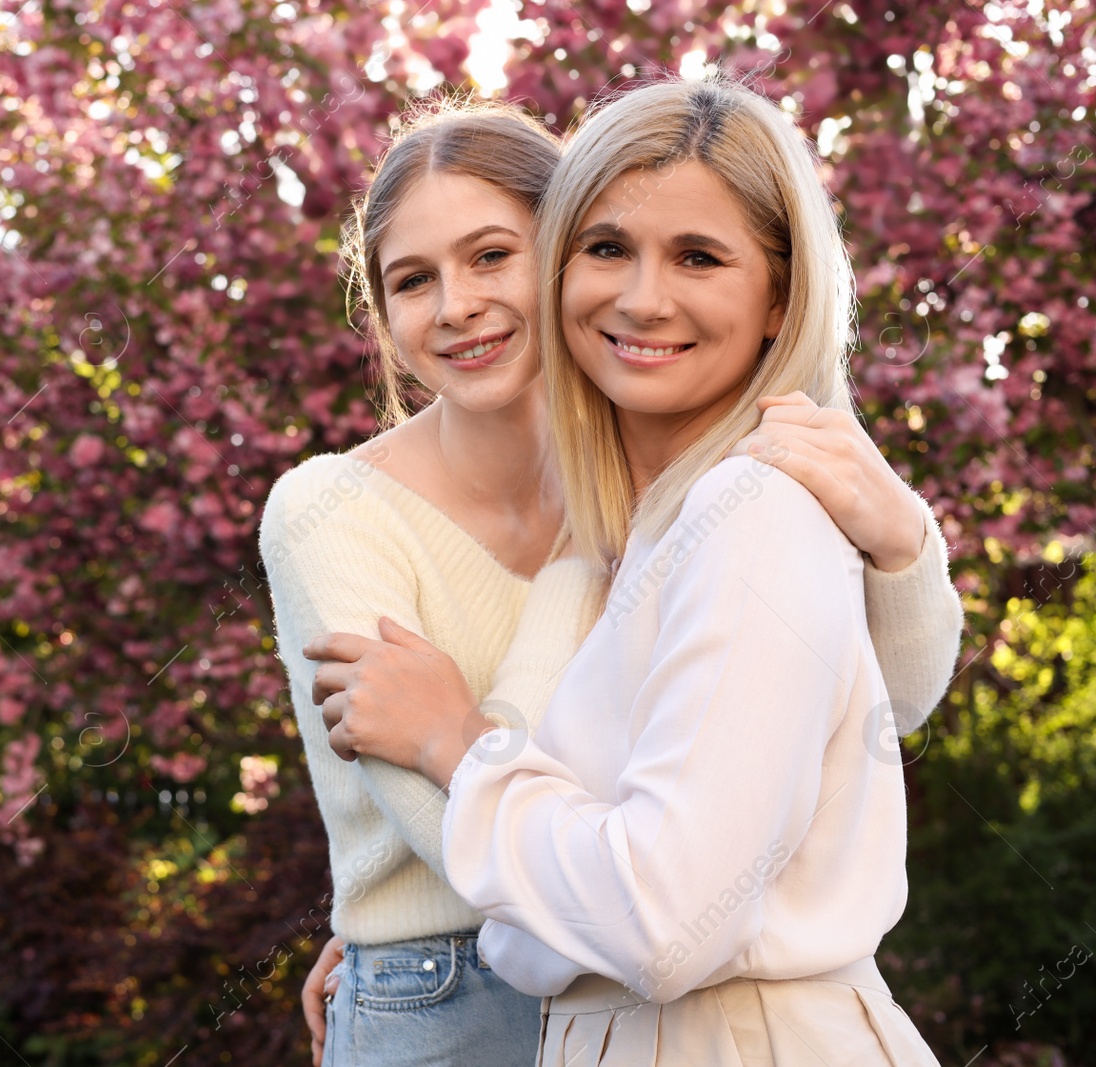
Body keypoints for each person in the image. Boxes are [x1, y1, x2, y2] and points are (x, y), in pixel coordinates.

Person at [262, 94, 963, 1066]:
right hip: (481, 980)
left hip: (608, 971)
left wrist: (900, 540)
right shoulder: (333, 506)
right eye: (413, 279)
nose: (457, 303)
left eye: (491, 255)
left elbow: (878, 706)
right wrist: (392, 939)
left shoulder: (708, 493)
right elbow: (462, 836)